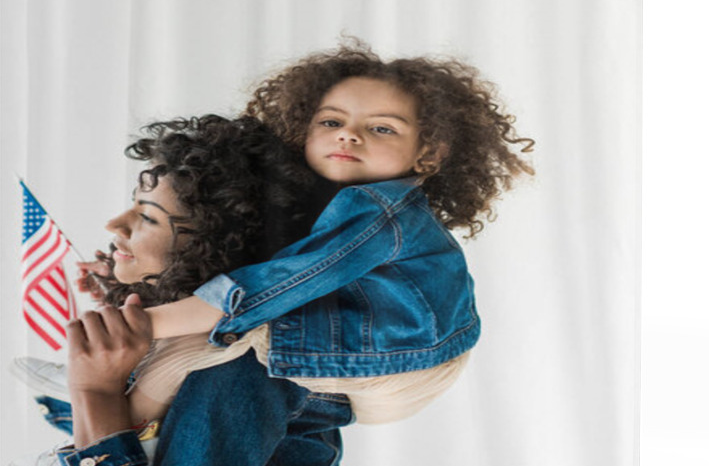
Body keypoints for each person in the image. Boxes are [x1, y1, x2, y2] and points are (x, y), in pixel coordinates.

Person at [135, 42, 536, 424]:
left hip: (400, 356)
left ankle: (124, 425)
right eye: (331, 121)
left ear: (428, 154)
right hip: (419, 350)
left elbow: (274, 285)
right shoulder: (344, 198)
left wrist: (140, 324)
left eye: (381, 129)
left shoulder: (377, 207)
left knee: (190, 347)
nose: (348, 134)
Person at [53, 115, 358, 466]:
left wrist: (94, 392)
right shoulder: (186, 349)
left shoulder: (243, 358)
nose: (115, 224)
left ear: (216, 250)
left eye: (148, 217)